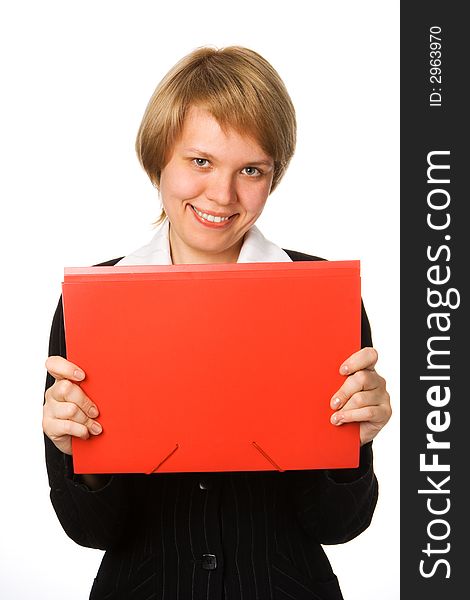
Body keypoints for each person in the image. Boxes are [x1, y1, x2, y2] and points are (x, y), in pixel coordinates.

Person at [43, 45, 392, 600]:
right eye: (200, 161)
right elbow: (91, 531)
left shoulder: (322, 298)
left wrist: (352, 450)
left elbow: (340, 526)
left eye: (250, 169)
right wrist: (76, 456)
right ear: (158, 158)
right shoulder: (93, 302)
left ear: (272, 177)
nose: (222, 195)